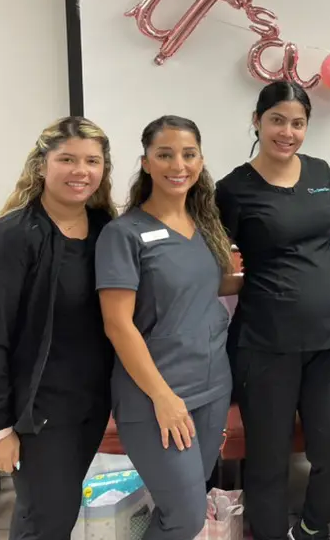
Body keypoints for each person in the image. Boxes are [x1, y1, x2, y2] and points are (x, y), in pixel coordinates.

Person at [215, 81, 330, 540]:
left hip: (328, 340)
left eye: (298, 123)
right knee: (269, 460)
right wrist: (251, 281)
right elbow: (214, 265)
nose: (288, 132)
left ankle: (313, 528)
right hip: (265, 343)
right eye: (277, 120)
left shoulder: (321, 172)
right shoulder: (233, 189)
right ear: (257, 121)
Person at [0, 116, 117, 540]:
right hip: (39, 413)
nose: (80, 171)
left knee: (58, 514)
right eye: (66, 159)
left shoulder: (108, 230)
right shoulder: (9, 237)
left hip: (90, 404)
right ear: (41, 165)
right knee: (45, 521)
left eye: (92, 160)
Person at [96, 115, 239, 540]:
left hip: (212, 387)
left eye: (188, 154)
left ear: (201, 160)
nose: (178, 165)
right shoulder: (124, 234)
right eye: (165, 154)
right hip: (157, 397)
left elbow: (208, 286)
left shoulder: (204, 226)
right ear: (145, 163)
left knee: (189, 502)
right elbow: (118, 325)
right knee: (185, 516)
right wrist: (163, 398)